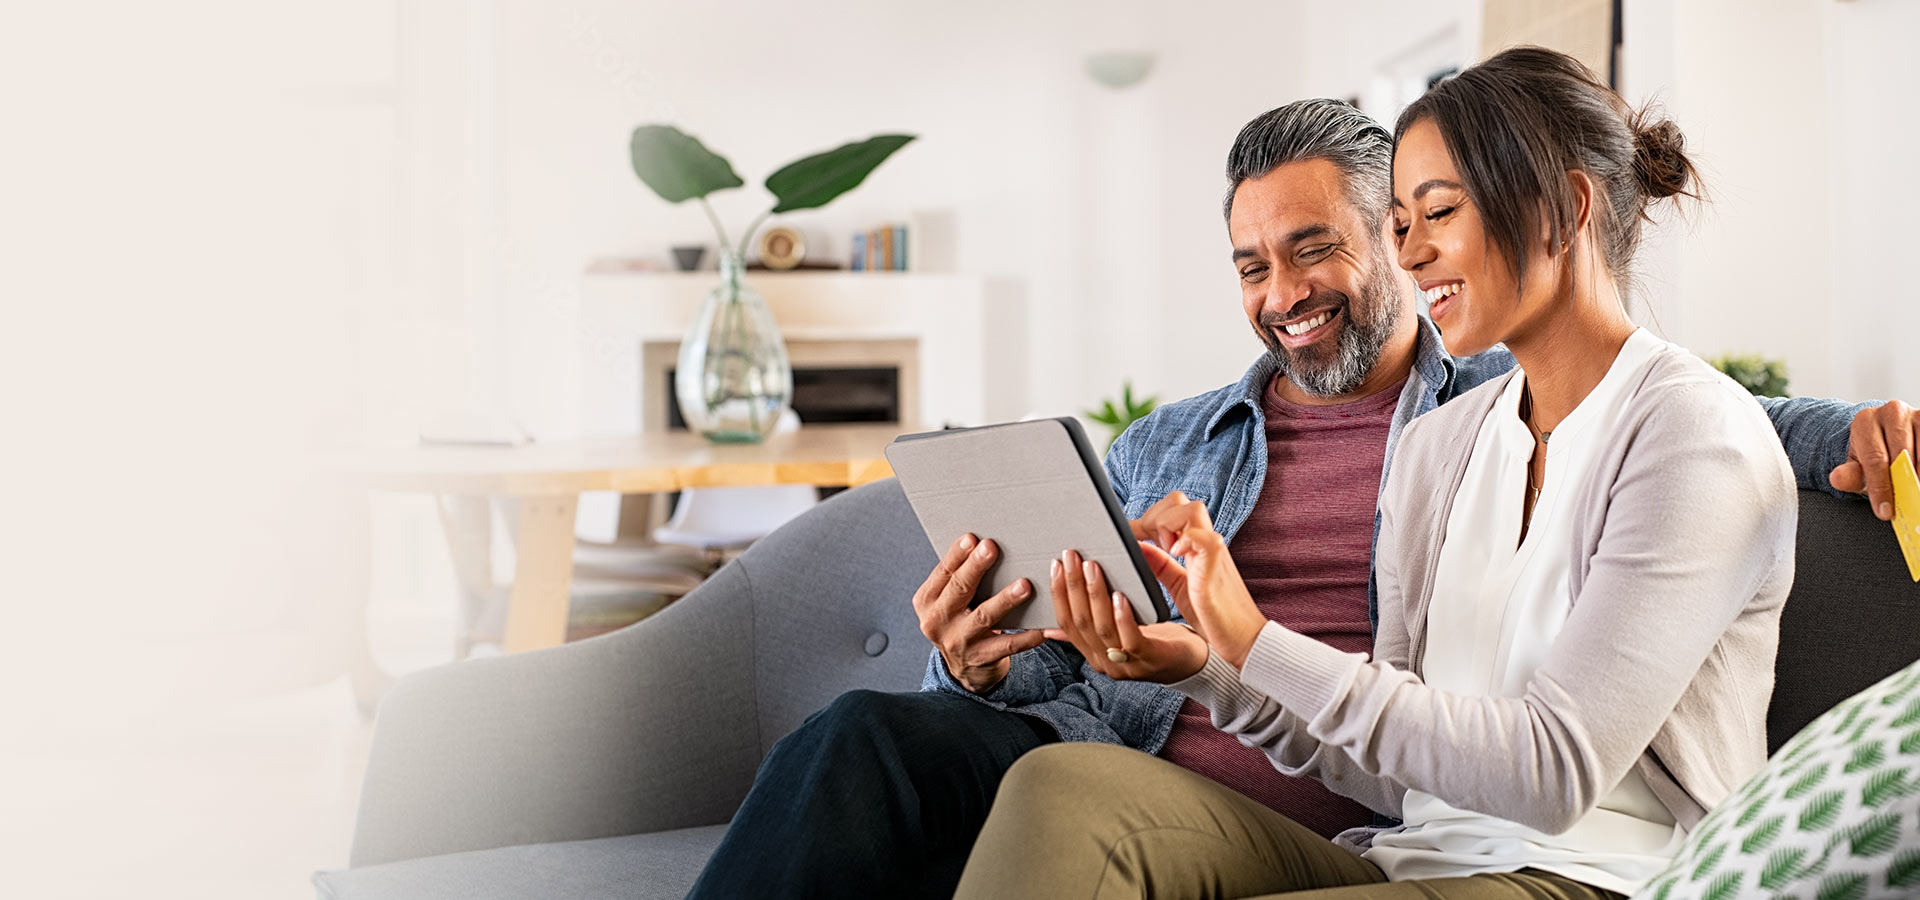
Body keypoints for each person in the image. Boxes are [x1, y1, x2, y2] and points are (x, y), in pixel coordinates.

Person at [683, 90, 1919, 900]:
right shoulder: (1228, 444)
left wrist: (1858, 432)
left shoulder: (1503, 399)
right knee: (890, 743)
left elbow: (1699, 420)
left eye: (1323, 245)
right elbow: (1101, 662)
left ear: (1387, 239)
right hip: (1289, 797)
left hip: (1510, 841)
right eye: (1251, 264)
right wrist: (997, 661)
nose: (1284, 290)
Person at [950, 46, 1818, 900]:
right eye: (1400, 224)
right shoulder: (1442, 447)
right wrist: (1205, 667)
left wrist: (1255, 639)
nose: (1410, 254)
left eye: (1438, 214)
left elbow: (1556, 772)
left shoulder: (1694, 437)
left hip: (1600, 875)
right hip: (1417, 853)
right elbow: (1392, 777)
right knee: (1060, 787)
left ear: (1564, 207)